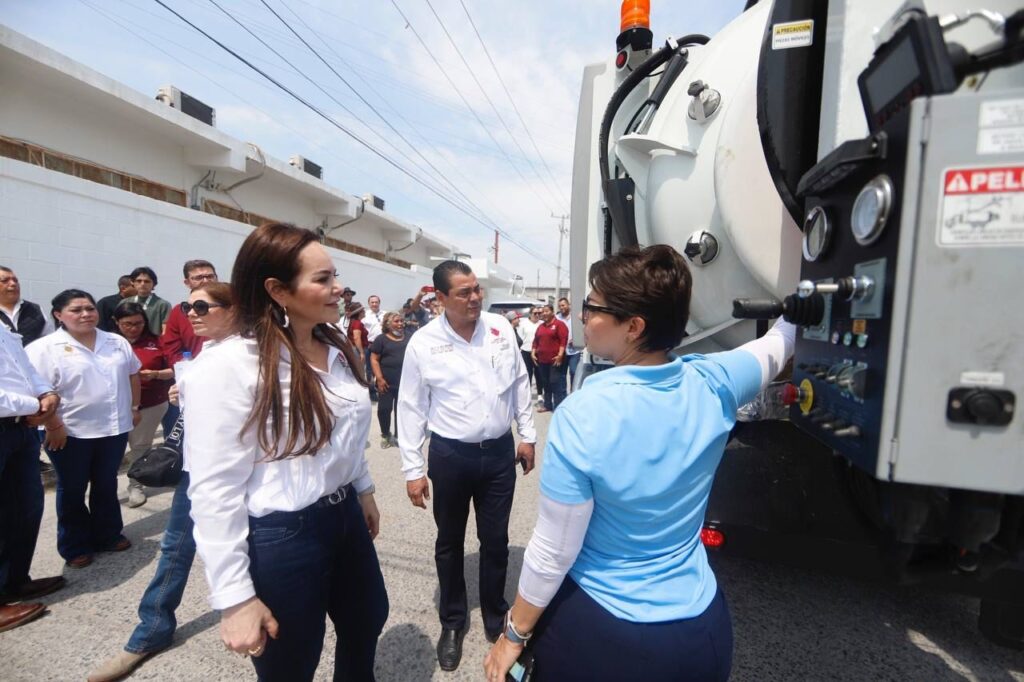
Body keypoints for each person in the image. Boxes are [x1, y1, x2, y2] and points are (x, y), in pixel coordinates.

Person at [483, 245, 796, 682]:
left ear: (634, 326)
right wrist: (802, 299)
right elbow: (777, 346)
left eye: (592, 307)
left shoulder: (583, 414)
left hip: (607, 635)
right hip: (701, 631)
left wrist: (513, 633)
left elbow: (554, 552)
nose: (581, 316)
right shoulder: (714, 380)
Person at [184, 223, 387, 680]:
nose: (338, 288)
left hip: (344, 518)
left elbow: (348, 436)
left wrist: (364, 490)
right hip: (283, 535)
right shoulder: (229, 366)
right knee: (292, 660)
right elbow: (214, 489)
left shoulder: (333, 347)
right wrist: (234, 598)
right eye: (322, 279)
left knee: (367, 619)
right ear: (277, 289)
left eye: (335, 275)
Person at [88, 282, 237, 682]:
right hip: (198, 469)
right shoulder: (205, 354)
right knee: (175, 547)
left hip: (248, 473)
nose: (192, 313)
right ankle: (151, 631)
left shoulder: (258, 353)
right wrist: (181, 393)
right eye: (190, 305)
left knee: (260, 550)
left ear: (235, 309)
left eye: (203, 307)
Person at [397, 260, 536, 672]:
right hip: (450, 455)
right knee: (449, 541)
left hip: (497, 453)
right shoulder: (423, 342)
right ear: (440, 299)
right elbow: (410, 407)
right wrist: (411, 469)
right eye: (464, 292)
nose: (475, 298)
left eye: (477, 290)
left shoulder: (500, 329)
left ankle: (497, 617)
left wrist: (527, 434)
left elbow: (519, 383)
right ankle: (453, 622)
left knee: (496, 540)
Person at [27, 289, 142, 569]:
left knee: (106, 483)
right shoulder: (43, 349)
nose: (85, 314)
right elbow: (37, 393)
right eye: (76, 310)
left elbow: (132, 372)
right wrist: (53, 425)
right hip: (69, 432)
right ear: (58, 315)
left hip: (112, 428)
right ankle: (75, 545)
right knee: (73, 488)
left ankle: (107, 534)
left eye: (89, 308)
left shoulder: (115, 341)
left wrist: (135, 408)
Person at [0, 323, 65, 632]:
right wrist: (35, 404)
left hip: (20, 427)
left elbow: (24, 369)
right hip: (18, 415)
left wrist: (47, 394)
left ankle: (13, 581)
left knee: (25, 507)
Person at [113, 303, 172, 508]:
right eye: (127, 324)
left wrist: (155, 374)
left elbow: (173, 370)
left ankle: (135, 485)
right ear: (116, 322)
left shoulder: (156, 342)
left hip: (151, 404)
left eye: (138, 323)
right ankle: (106, 489)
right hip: (115, 406)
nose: (133, 328)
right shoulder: (108, 343)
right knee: (112, 452)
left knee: (140, 447)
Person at [159, 260, 217, 446]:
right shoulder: (179, 312)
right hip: (194, 383)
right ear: (187, 282)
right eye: (198, 277)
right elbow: (171, 348)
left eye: (210, 276)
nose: (205, 280)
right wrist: (193, 373)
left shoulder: (233, 306)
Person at [369, 312, 410, 449]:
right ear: (388, 324)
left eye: (401, 321)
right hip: (385, 383)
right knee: (384, 410)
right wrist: (379, 378)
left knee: (402, 411)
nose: (400, 324)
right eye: (397, 321)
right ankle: (386, 434)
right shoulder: (381, 339)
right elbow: (374, 359)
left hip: (405, 382)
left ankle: (400, 436)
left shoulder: (409, 337)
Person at [0, 266, 53, 345]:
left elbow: (48, 340)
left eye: (15, 280)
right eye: (5, 280)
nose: (13, 284)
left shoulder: (35, 309)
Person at [531, 304, 568, 413]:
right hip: (542, 361)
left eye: (546, 311)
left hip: (555, 360)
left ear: (552, 312)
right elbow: (535, 341)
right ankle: (547, 405)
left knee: (555, 383)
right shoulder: (541, 326)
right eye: (543, 312)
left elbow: (563, 341)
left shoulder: (559, 325)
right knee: (546, 383)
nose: (544, 314)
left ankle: (558, 407)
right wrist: (533, 352)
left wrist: (560, 355)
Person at [120, 267, 171, 336]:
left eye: (147, 281)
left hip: (153, 344)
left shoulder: (163, 305)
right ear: (132, 282)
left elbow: (165, 332)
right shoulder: (124, 303)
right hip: (128, 344)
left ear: (154, 284)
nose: (142, 284)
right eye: (139, 281)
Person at [555, 297, 582, 393]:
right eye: (559, 306)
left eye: (563, 305)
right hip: (562, 351)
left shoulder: (576, 317)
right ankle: (563, 395)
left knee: (573, 372)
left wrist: (577, 339)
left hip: (574, 351)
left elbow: (583, 330)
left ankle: (573, 393)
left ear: (568, 305)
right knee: (562, 374)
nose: (561, 307)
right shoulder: (557, 318)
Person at [364, 295, 384, 400]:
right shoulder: (365, 315)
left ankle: (381, 388)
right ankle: (372, 391)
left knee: (382, 367)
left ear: (379, 303)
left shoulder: (385, 314)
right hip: (370, 345)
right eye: (372, 302)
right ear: (369, 304)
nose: (374, 304)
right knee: (369, 370)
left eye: (376, 302)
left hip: (383, 345)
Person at [517, 308, 539, 394]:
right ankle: (527, 393)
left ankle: (540, 393)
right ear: (530, 314)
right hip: (526, 351)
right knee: (527, 373)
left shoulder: (541, 324)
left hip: (538, 352)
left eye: (539, 313)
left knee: (538, 374)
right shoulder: (523, 324)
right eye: (535, 313)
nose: (537, 315)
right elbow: (520, 338)